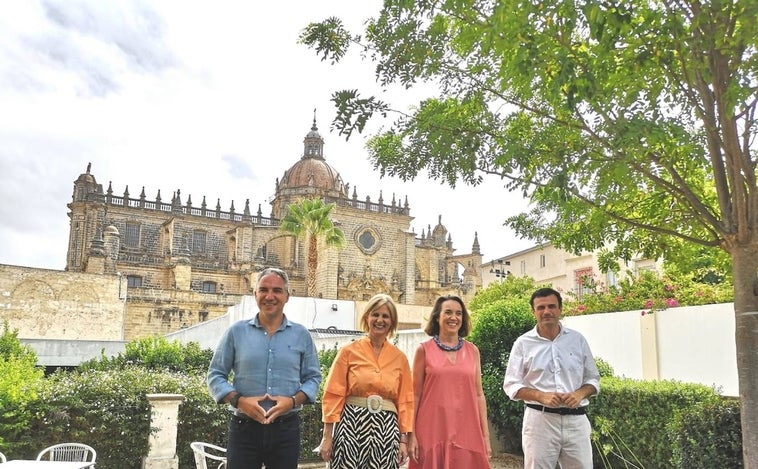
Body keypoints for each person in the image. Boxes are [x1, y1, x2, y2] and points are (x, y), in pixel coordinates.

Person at [207, 267, 322, 469]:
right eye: (264, 290)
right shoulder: (236, 332)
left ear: (287, 296)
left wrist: (292, 401)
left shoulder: (301, 334)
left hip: (286, 430)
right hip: (244, 428)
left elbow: (313, 378)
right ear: (255, 294)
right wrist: (239, 401)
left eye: (277, 290)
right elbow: (215, 375)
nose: (270, 296)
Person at [503, 287, 600, 469]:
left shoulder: (577, 340)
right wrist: (541, 396)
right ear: (533, 312)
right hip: (540, 422)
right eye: (541, 308)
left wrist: (580, 393)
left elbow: (593, 379)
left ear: (560, 309)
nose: (546, 312)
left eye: (551, 306)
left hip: (576, 422)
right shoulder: (523, 344)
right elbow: (511, 385)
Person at [319, 293, 414, 469]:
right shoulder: (348, 352)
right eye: (375, 314)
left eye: (385, 316)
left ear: (392, 322)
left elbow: (405, 401)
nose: (380, 320)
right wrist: (327, 436)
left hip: (386, 431)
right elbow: (333, 393)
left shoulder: (400, 358)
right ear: (367, 317)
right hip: (350, 427)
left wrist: (403, 439)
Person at [408, 295, 492, 469]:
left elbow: (478, 395)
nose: (454, 317)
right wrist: (412, 435)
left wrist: (485, 436)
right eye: (448, 312)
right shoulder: (423, 350)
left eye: (459, 313)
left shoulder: (473, 351)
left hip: (467, 431)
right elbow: (414, 395)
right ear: (437, 317)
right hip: (432, 430)